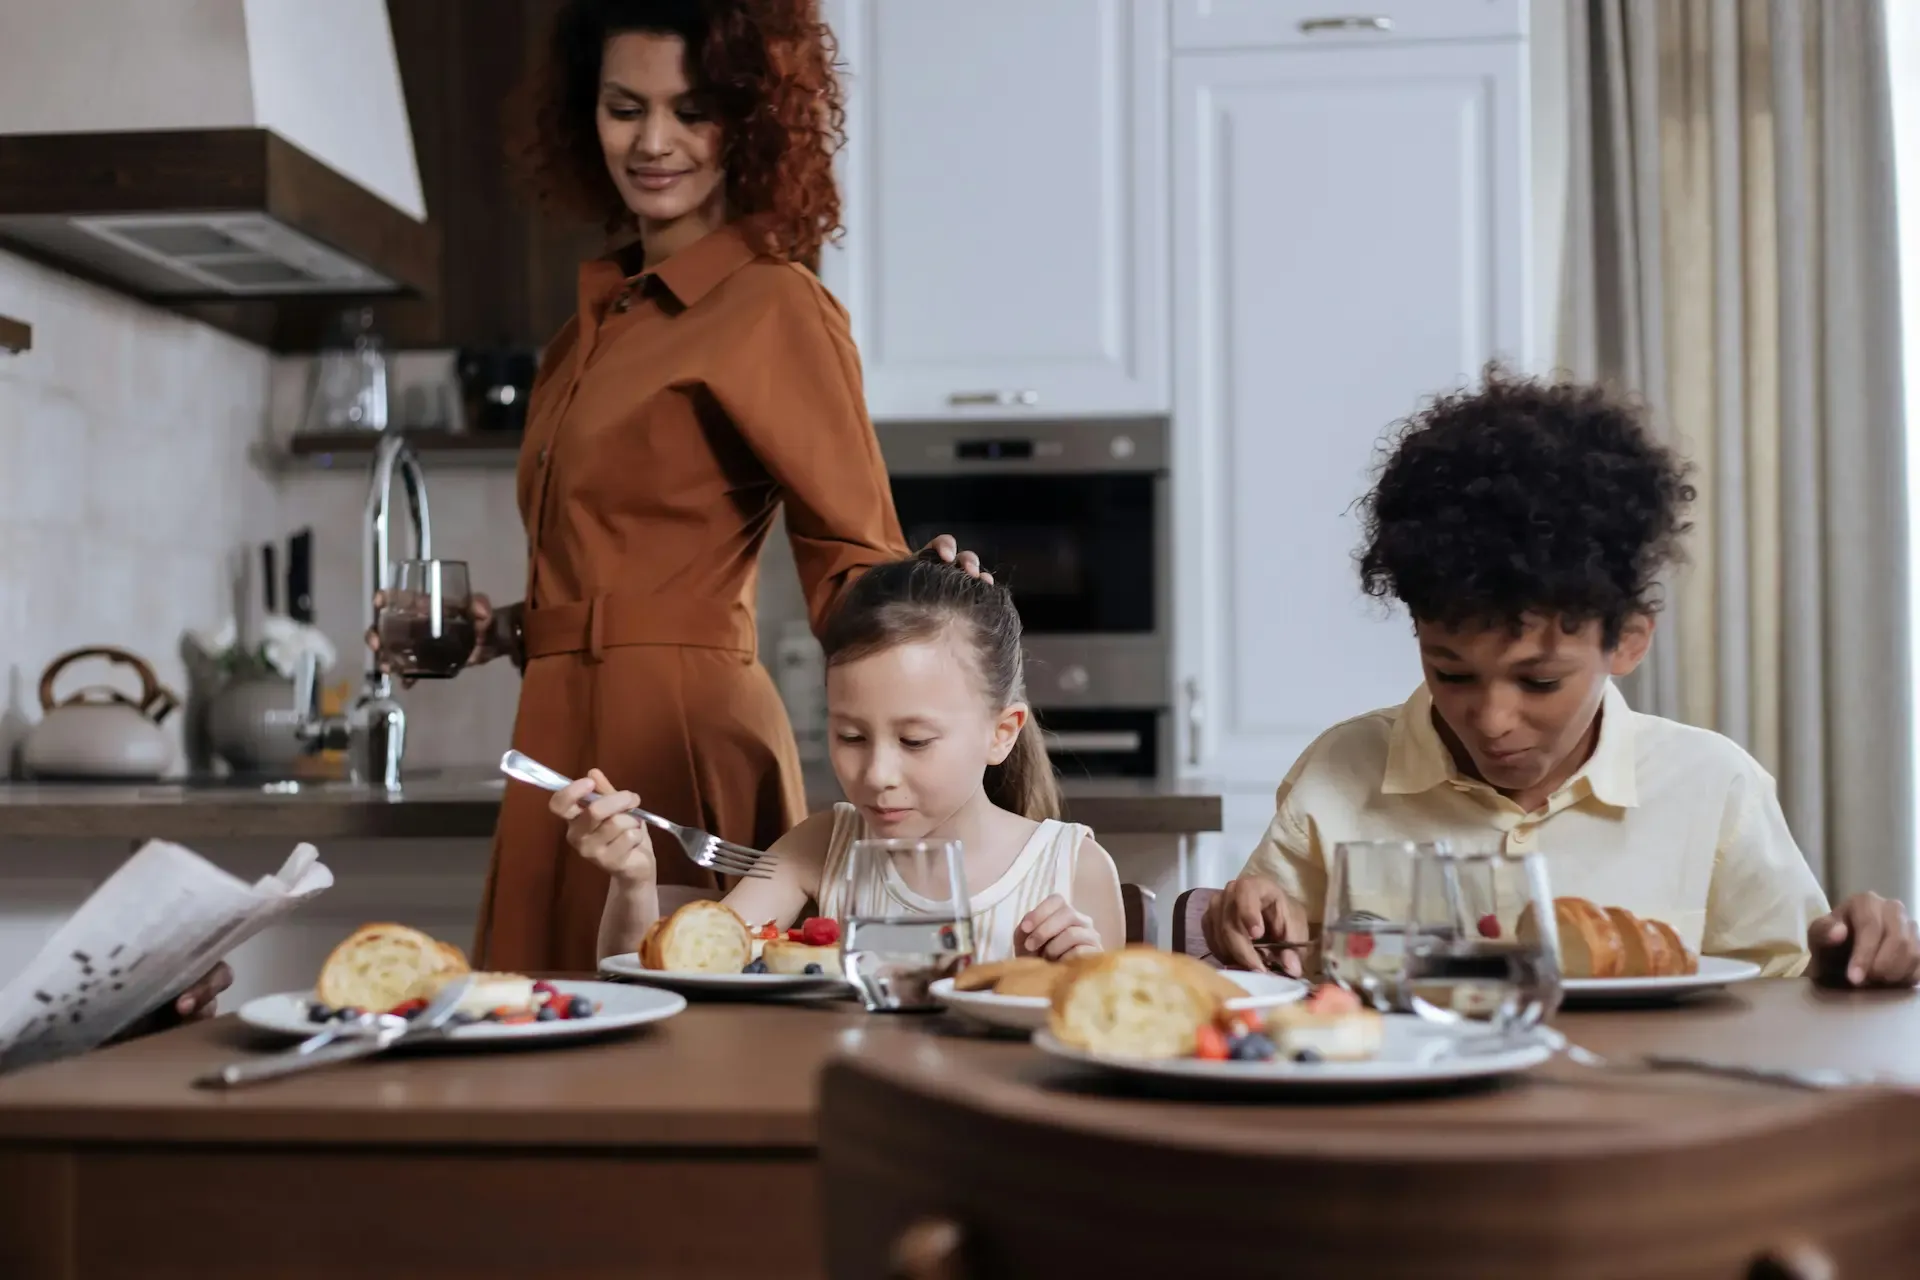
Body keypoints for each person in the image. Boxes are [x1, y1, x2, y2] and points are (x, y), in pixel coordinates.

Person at [375, 0, 987, 971]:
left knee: (678, 1035)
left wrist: (925, 606)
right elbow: (610, 563)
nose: (654, 141)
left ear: (749, 121)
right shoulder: (587, 329)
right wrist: (501, 629)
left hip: (684, 732)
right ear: (589, 116)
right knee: (550, 1028)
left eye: (691, 110)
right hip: (555, 727)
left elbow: (853, 554)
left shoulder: (773, 304)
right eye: (625, 108)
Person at [1202, 371, 1920, 988]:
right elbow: (1266, 963)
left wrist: (1850, 959)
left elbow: (1787, 994)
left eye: (1539, 682)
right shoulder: (1339, 775)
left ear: (1629, 640)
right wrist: (1247, 921)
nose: (1491, 718)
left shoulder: (1714, 788)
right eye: (1450, 672)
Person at [552, 556, 1127, 964]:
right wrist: (633, 882)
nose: (876, 775)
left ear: (1002, 734)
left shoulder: (1074, 870)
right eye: (851, 737)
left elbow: (1107, 1056)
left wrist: (1065, 982)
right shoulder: (821, 848)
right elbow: (674, 973)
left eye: (915, 741)